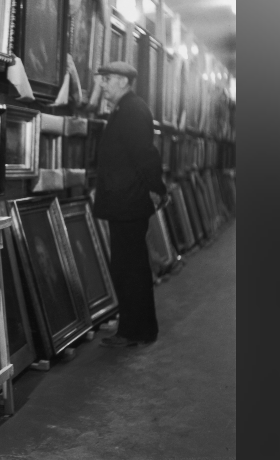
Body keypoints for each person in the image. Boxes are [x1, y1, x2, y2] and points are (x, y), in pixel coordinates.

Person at [90, 61, 169, 348]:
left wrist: (158, 189)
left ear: (123, 81)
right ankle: (133, 328)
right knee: (127, 267)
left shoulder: (133, 110)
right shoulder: (126, 108)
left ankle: (138, 330)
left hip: (128, 202)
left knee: (130, 268)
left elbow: (146, 155)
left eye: (107, 79)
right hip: (124, 200)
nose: (102, 84)